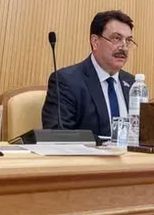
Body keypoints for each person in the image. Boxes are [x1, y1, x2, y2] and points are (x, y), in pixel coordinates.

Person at [41, 10, 136, 138]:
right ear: (95, 42)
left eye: (128, 41)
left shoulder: (133, 84)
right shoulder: (66, 81)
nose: (124, 47)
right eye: (116, 38)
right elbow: (58, 135)